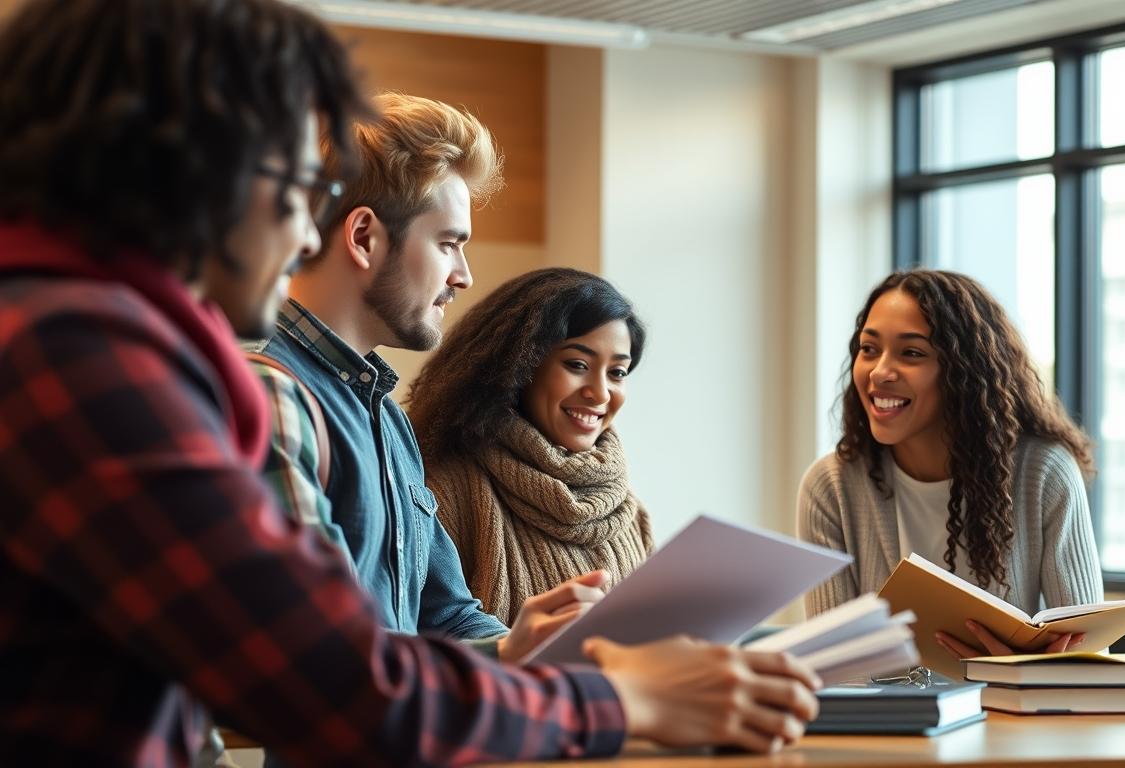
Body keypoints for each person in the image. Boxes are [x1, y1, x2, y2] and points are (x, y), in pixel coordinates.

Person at [0, 1, 819, 764]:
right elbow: (333, 682)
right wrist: (618, 700)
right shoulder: (78, 354)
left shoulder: (77, 333)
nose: (299, 229)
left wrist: (519, 658)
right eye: (294, 185)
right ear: (205, 169)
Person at [248, 93, 602, 661]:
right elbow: (324, 650)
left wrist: (537, 647)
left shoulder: (385, 416)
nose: (463, 275)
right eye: (448, 244)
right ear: (364, 237)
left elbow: (446, 617)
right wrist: (509, 659)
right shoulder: (270, 397)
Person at [797, 269, 1104, 660]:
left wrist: (1011, 672)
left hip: (1010, 717)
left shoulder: (1044, 473)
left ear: (964, 373)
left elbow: (1089, 659)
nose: (879, 372)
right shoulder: (830, 487)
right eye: (869, 349)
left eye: (911, 353)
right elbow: (832, 669)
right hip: (882, 723)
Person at [406, 268, 655, 624]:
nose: (600, 393)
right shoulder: (444, 491)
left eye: (617, 373)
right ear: (518, 366)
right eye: (577, 364)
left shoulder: (628, 509)